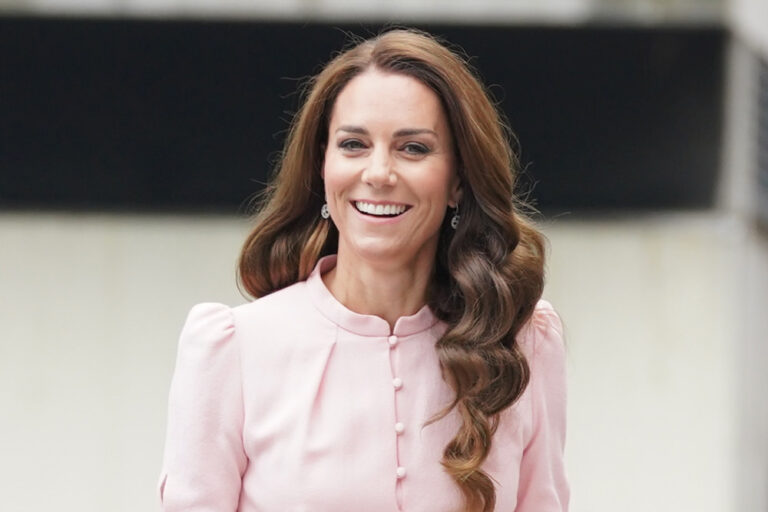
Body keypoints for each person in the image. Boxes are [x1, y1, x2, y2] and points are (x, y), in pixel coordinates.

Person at [158, 28, 568, 512]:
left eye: (413, 148)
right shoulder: (233, 349)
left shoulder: (523, 342)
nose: (378, 173)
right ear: (321, 166)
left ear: (459, 180)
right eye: (353, 144)